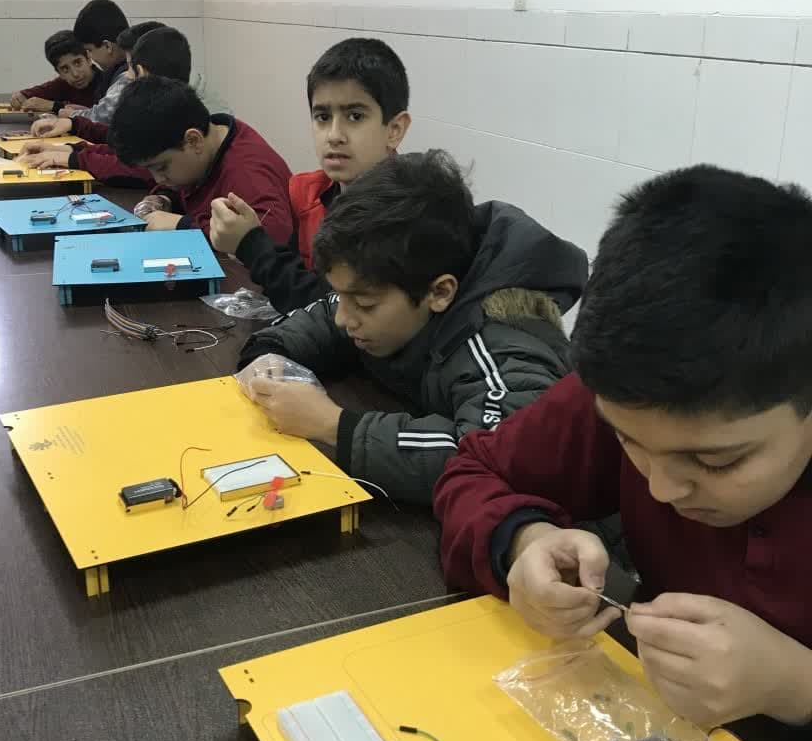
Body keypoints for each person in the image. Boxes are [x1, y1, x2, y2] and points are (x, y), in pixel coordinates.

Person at [434, 164, 812, 741]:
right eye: (629, 443)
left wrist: (793, 685)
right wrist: (524, 542)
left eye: (716, 462)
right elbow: (473, 469)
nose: (661, 489)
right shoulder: (627, 393)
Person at [235, 150, 587, 505]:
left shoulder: (502, 344)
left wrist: (333, 425)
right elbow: (325, 317)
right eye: (341, 295)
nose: (343, 317)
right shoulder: (392, 281)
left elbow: (489, 457)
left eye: (363, 304)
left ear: (439, 292)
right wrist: (269, 354)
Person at [210, 37, 409, 313]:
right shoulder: (309, 192)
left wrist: (250, 244)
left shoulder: (408, 214)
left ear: (395, 130)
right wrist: (243, 235)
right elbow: (296, 283)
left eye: (355, 116)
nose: (334, 136)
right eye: (323, 117)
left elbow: (340, 311)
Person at [106, 76, 293, 242]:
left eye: (161, 167)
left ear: (193, 140)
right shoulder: (210, 140)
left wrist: (183, 225)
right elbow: (189, 189)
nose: (158, 179)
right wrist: (164, 198)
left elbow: (271, 236)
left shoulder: (246, 171)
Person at [17, 26, 194, 183]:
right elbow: (123, 146)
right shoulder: (169, 108)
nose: (127, 77)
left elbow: (141, 168)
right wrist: (71, 149)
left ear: (142, 73)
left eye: (129, 68)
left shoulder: (170, 118)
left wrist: (73, 158)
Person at [8, 31, 96, 114]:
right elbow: (26, 95)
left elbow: (98, 115)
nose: (75, 74)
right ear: (59, 73)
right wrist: (19, 97)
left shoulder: (104, 84)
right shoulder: (63, 84)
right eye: (65, 69)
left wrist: (54, 106)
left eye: (78, 63)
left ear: (88, 58)